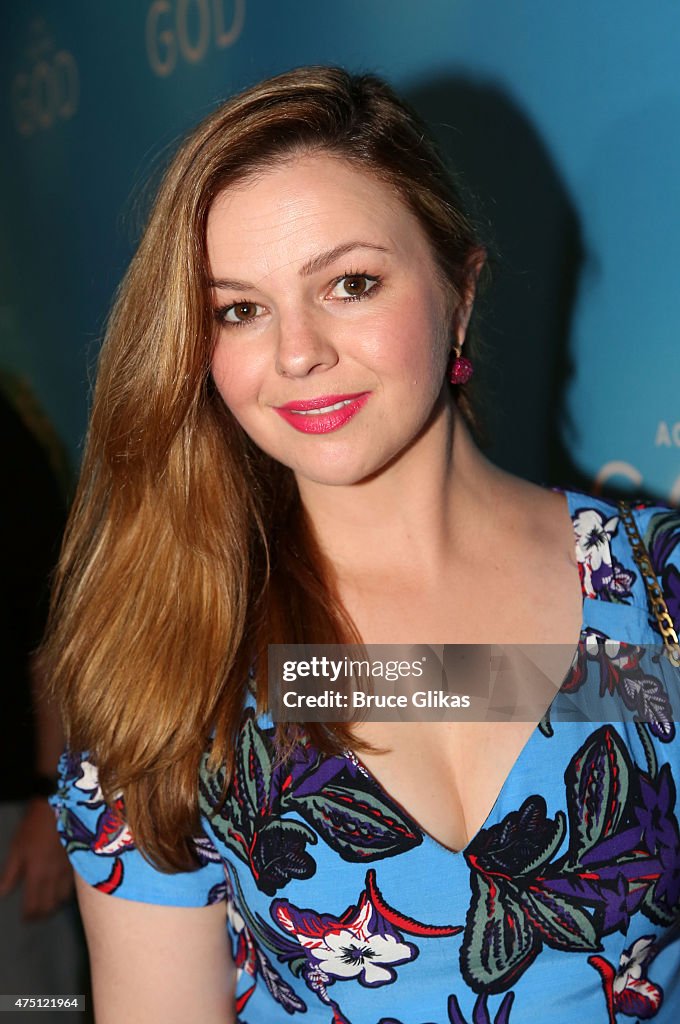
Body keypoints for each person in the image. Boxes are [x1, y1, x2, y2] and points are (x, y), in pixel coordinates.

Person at [43, 67, 680, 1023]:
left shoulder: (655, 587)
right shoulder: (175, 655)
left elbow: (472, 678)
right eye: (239, 309)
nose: (297, 352)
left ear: (459, 293)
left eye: (350, 283)